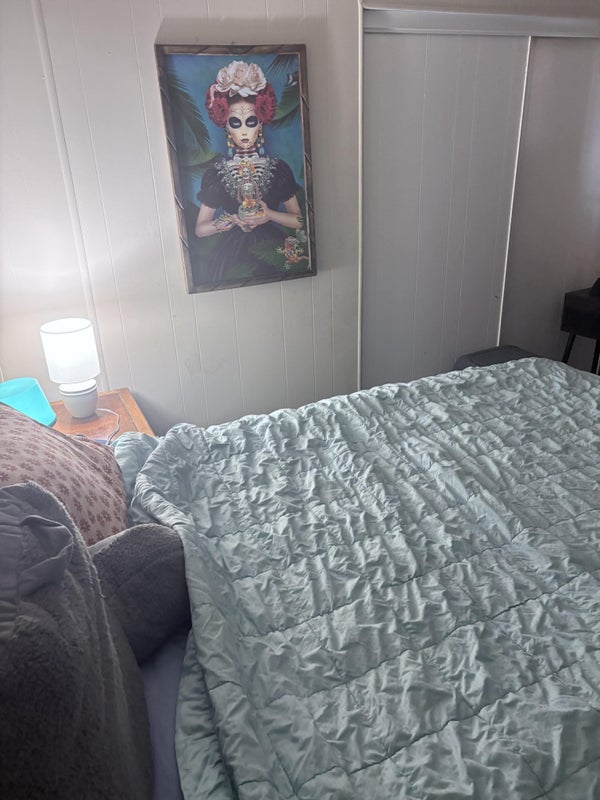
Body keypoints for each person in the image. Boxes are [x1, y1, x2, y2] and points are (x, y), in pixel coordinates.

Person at [194, 60, 306, 284]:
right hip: (231, 256)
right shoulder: (217, 174)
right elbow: (200, 229)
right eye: (236, 123)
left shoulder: (278, 169)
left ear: (260, 123)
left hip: (271, 248)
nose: (244, 131)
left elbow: (300, 221)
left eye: (251, 121)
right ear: (226, 126)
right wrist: (231, 220)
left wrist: (270, 215)